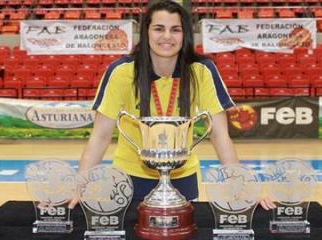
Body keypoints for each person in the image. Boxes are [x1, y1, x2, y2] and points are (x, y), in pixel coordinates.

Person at [69, 0, 275, 210]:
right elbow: (101, 135)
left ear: (185, 34)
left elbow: (219, 134)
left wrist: (242, 189)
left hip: (182, 177)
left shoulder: (202, 70)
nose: (167, 37)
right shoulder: (121, 71)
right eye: (159, 28)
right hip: (127, 178)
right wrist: (79, 187)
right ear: (146, 31)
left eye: (175, 30)